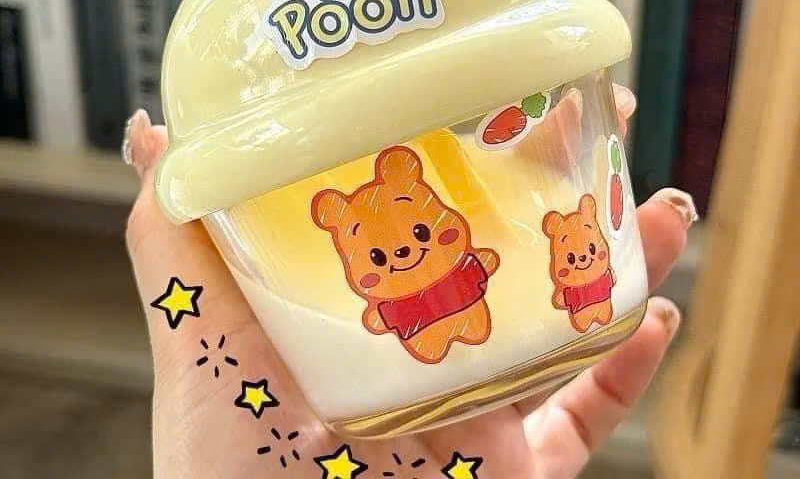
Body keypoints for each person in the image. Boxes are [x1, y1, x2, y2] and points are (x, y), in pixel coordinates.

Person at [123, 85, 693, 478]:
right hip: (374, 378)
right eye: (380, 250)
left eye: (418, 231)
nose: (403, 251)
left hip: (504, 317)